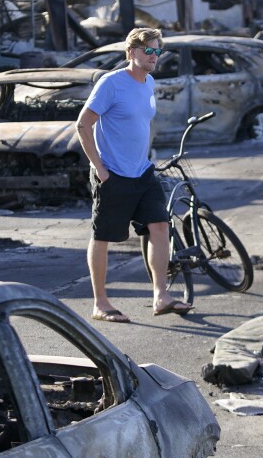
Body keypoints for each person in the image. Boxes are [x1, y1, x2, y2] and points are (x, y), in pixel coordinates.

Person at [76, 27, 192, 323]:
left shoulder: (149, 82)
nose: (153, 57)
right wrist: (100, 168)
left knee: (160, 226)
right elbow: (83, 125)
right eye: (147, 51)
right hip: (112, 174)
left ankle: (161, 296)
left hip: (142, 171)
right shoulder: (111, 83)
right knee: (102, 236)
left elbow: (141, 124)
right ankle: (100, 303)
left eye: (157, 51)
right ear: (131, 53)